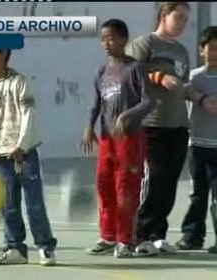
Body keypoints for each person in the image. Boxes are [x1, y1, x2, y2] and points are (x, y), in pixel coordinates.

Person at [125, 2, 217, 256]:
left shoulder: (181, 52)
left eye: (187, 19)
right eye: (178, 17)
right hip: (151, 124)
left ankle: (157, 235)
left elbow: (183, 87)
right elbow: (131, 75)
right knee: (152, 180)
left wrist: (200, 98)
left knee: (168, 184)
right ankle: (139, 235)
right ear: (163, 15)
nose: (183, 23)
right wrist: (158, 77)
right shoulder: (145, 44)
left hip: (177, 126)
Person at [81, 18, 156, 258]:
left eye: (111, 38)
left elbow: (148, 101)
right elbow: (95, 103)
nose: (106, 43)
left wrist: (127, 115)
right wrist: (88, 127)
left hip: (129, 139)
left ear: (124, 39)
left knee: (126, 189)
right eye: (103, 38)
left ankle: (126, 240)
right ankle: (108, 236)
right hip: (106, 140)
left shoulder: (135, 68)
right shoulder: (101, 71)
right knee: (104, 187)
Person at [0, 49, 57, 266]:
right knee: (9, 204)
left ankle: (45, 247)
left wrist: (21, 145)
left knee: (34, 203)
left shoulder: (20, 82)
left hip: (25, 154)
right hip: (3, 157)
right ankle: (15, 248)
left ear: (3, 54)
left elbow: (28, 114)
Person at [175, 26, 217, 253]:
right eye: (211, 48)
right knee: (198, 194)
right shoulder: (194, 76)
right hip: (198, 144)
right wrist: (196, 95)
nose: (215, 52)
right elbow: (181, 91)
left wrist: (197, 96)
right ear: (202, 50)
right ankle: (192, 235)